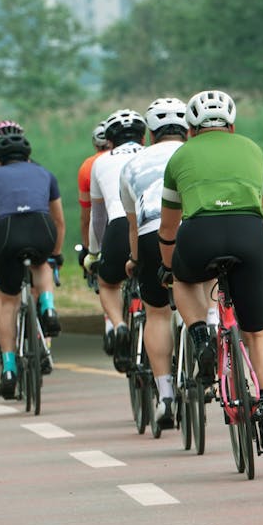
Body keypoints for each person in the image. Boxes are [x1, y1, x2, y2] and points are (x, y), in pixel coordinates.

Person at [157, 90, 263, 452]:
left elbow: (168, 229)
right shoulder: (252, 149)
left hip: (199, 234)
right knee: (259, 332)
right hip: (250, 234)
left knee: (183, 280)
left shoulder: (181, 155)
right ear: (231, 126)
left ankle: (200, 338)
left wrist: (168, 269)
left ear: (192, 129)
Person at [0, 134, 66, 400]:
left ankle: (9, 368)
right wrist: (55, 254)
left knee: (6, 299)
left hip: (7, 232)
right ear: (28, 156)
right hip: (41, 228)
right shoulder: (46, 174)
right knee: (42, 265)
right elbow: (58, 220)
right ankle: (47, 307)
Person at [120, 98, 188, 429]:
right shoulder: (194, 153)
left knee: (157, 312)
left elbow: (132, 224)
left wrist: (134, 260)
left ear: (149, 133)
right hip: (193, 229)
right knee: (200, 293)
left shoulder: (132, 164)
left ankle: (165, 396)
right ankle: (204, 335)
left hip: (151, 233)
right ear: (188, 129)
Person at [85, 109, 146, 372]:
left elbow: (98, 218)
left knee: (108, 283)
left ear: (109, 141)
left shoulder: (100, 162)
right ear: (143, 138)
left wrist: (95, 252)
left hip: (119, 225)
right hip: (154, 223)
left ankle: (120, 326)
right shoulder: (151, 154)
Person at [77, 121, 114, 354]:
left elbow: (87, 215)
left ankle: (112, 325)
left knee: (107, 281)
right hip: (134, 227)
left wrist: (89, 249)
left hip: (104, 230)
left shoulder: (88, 166)